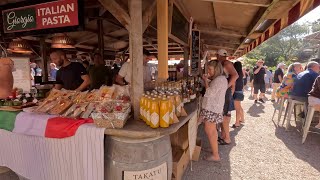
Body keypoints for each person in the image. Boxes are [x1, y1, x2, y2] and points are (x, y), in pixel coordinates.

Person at [199, 60, 228, 162]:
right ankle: (213, 149)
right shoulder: (220, 79)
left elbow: (210, 93)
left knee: (210, 131)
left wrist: (206, 81)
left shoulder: (219, 79)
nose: (209, 71)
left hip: (212, 109)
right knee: (213, 132)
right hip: (213, 108)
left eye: (210, 69)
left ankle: (215, 155)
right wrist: (206, 80)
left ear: (216, 69)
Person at [216, 49, 239, 145]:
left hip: (226, 92)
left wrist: (227, 86)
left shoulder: (227, 63)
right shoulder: (222, 63)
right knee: (223, 114)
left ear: (218, 55)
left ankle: (227, 138)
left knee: (225, 115)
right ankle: (224, 135)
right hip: (224, 92)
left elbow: (235, 76)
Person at [232, 61, 245, 128]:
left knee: (237, 108)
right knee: (239, 107)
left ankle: (237, 123)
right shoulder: (241, 73)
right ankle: (242, 119)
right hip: (240, 92)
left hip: (236, 92)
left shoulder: (235, 74)